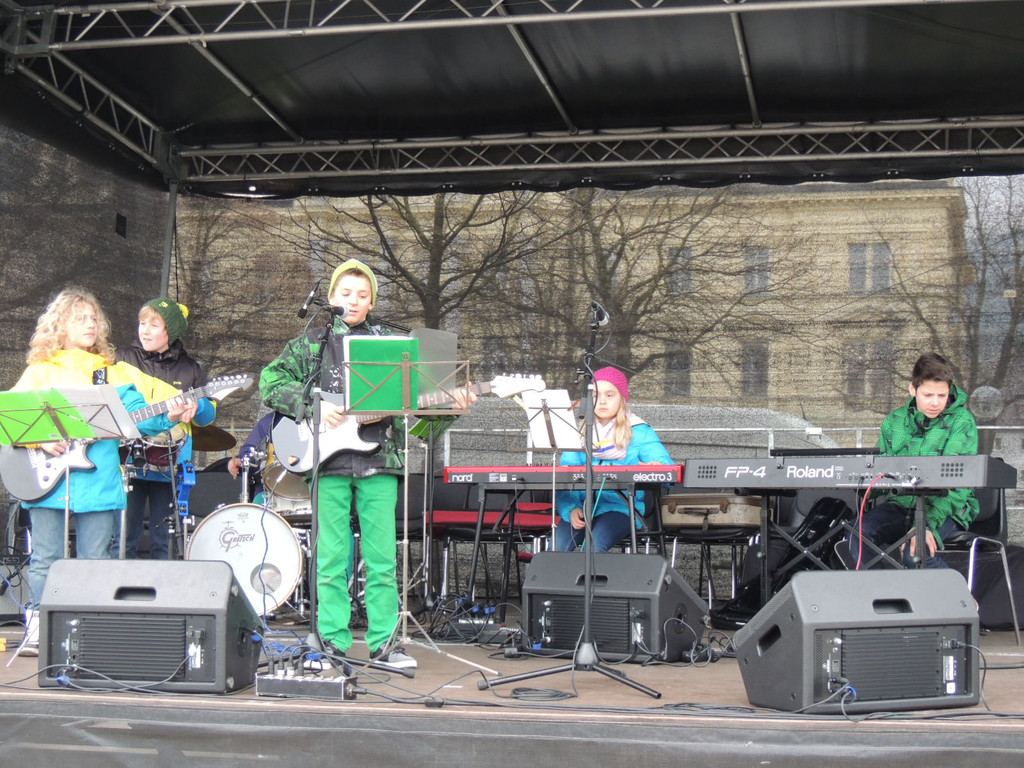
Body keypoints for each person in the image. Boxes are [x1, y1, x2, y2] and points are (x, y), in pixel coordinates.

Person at [260, 258, 475, 673]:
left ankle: (385, 645)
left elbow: (419, 416)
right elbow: (270, 381)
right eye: (346, 293)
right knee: (330, 557)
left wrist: (451, 405)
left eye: (362, 295)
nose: (354, 300)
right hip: (328, 461)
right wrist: (314, 405)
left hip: (380, 460)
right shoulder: (311, 343)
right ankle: (331, 643)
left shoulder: (392, 345)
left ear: (372, 302)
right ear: (331, 297)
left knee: (382, 559)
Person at [7, 288, 198, 655]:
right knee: (45, 558)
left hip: (98, 481)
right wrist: (40, 440)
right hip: (47, 480)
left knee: (95, 561)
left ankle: (89, 632)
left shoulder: (112, 371)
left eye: (94, 318)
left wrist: (170, 415)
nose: (90, 324)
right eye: (80, 318)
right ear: (59, 325)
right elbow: (12, 420)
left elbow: (141, 418)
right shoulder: (41, 371)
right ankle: (39, 627)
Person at [844, 353, 979, 569]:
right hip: (902, 504)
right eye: (928, 395)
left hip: (947, 508)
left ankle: (957, 592)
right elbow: (882, 471)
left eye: (942, 395)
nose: (935, 402)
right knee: (856, 533)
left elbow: (959, 485)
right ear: (913, 389)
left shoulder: (962, 421)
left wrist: (926, 526)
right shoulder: (895, 421)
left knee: (916, 552)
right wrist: (864, 480)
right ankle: (886, 589)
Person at [115, 297, 216, 559]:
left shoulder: (191, 369)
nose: (145, 330)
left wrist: (198, 406)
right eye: (142, 323)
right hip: (128, 461)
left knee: (164, 542)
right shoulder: (121, 358)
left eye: (154, 325)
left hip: (169, 464)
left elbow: (208, 417)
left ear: (170, 331)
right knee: (124, 539)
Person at [555, 366, 673, 553]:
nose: (602, 401)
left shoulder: (640, 432)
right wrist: (571, 509)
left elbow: (667, 470)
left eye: (610, 395)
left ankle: (593, 574)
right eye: (596, 396)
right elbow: (565, 480)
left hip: (621, 509)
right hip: (582, 509)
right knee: (556, 548)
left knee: (594, 547)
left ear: (622, 399)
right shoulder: (579, 435)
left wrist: (652, 467)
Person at [227, 411, 275, 500]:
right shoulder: (271, 420)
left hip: (303, 487)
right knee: (259, 505)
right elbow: (250, 452)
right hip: (269, 489)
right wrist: (240, 461)